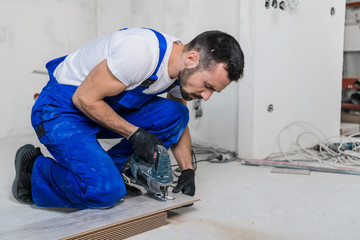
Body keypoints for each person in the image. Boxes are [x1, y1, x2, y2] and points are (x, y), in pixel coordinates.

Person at [12, 27, 244, 209]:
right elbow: (83, 98)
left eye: (213, 91)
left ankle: (116, 170)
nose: (206, 96)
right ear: (192, 59)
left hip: (100, 106)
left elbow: (178, 121)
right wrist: (134, 133)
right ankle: (33, 172)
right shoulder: (140, 54)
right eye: (207, 86)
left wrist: (187, 170)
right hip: (62, 108)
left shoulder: (180, 67)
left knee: (176, 112)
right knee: (105, 191)